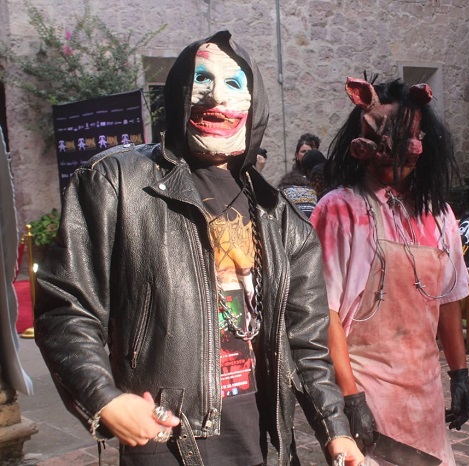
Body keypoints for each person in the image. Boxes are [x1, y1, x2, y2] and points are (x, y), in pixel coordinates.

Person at [33, 31, 363, 466]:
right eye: (201, 79)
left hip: (262, 443)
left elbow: (306, 343)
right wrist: (104, 398)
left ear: (254, 104)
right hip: (167, 439)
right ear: (177, 92)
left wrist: (336, 430)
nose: (214, 96)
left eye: (233, 83)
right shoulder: (118, 183)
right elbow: (67, 306)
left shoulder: (280, 217)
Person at [310, 76, 469, 465]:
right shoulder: (340, 210)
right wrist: (350, 397)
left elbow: (448, 301)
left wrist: (459, 374)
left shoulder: (440, 215)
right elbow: (324, 313)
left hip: (424, 391)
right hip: (366, 386)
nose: (392, 155)